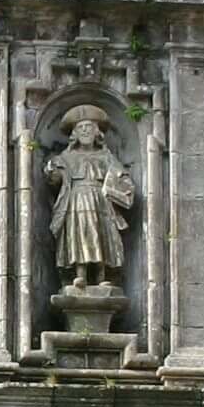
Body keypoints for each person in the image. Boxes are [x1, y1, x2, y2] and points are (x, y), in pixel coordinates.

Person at [46, 105, 138, 287]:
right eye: (81, 127)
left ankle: (101, 276)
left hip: (101, 202)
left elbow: (122, 178)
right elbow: (55, 180)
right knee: (78, 235)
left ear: (97, 133)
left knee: (101, 235)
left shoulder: (107, 157)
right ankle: (80, 273)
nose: (85, 131)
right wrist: (52, 173)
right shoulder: (65, 157)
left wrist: (116, 188)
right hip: (75, 201)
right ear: (74, 134)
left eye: (89, 127)